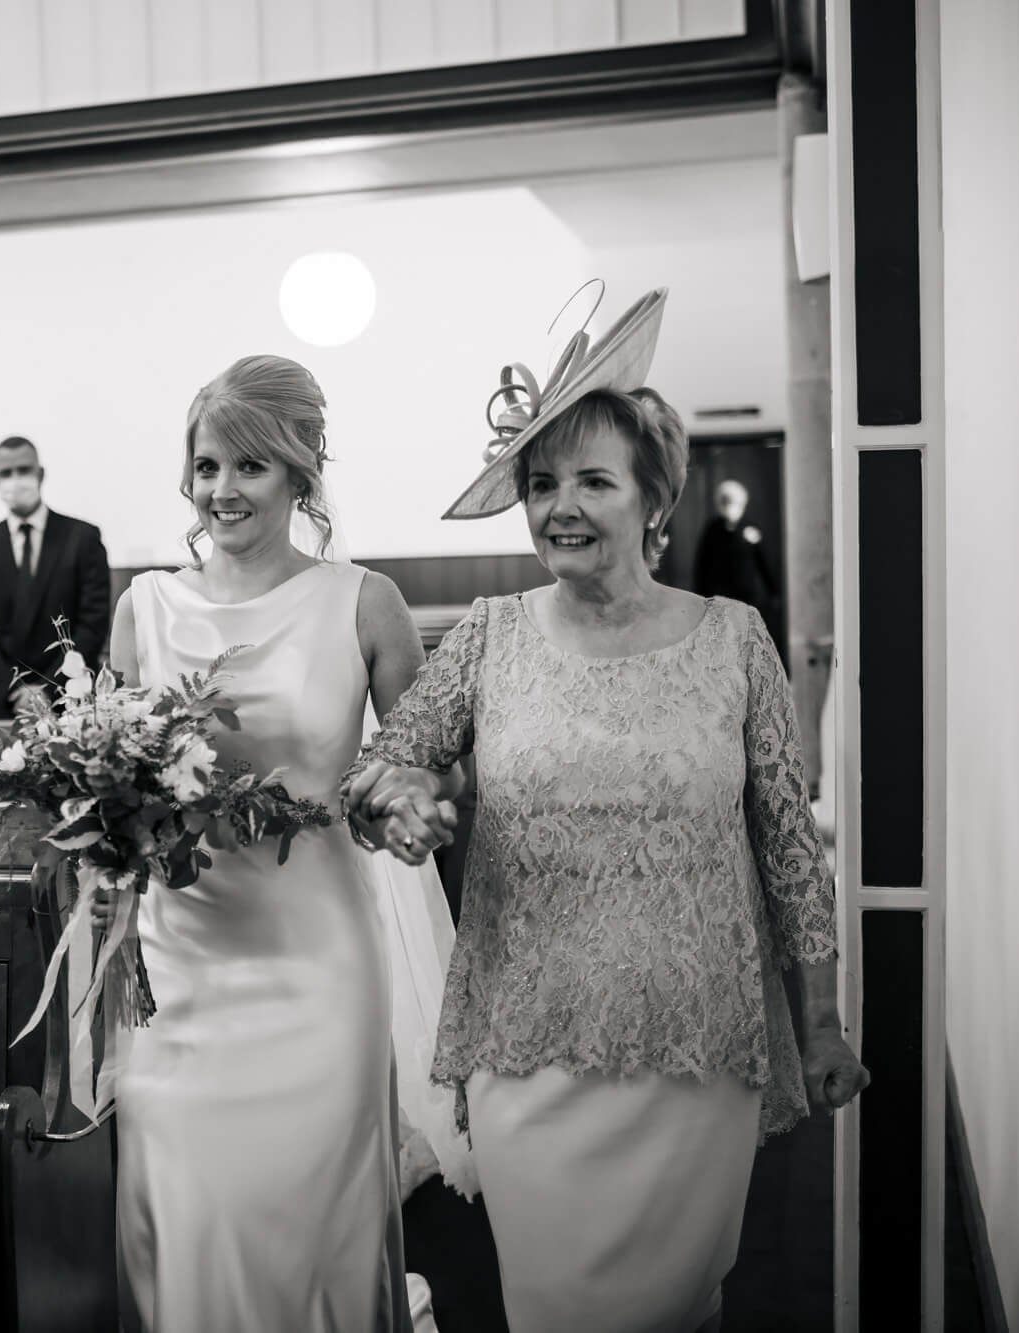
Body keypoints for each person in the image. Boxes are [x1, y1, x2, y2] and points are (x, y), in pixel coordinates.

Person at [346, 288, 869, 1333]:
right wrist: (400, 803)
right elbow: (385, 764)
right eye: (541, 484)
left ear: (650, 498)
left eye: (592, 479)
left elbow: (786, 852)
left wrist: (818, 1024)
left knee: (679, 1304)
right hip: (526, 1048)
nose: (559, 506)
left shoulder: (734, 640)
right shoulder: (489, 635)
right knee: (551, 1305)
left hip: (696, 1050)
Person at [106, 355, 458, 1333]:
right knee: (192, 1208)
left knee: (314, 1213)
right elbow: (116, 782)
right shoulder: (145, 610)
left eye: (250, 467)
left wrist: (406, 804)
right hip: (183, 961)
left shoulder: (364, 602)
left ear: (300, 473)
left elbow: (409, 763)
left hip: (317, 964)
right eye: (207, 465)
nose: (222, 489)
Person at [0, 435, 112, 718]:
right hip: (7, 703)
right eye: (6, 473)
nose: (15, 479)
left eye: (23, 470)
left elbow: (92, 624)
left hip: (71, 698)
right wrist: (16, 688)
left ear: (40, 474)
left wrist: (49, 688)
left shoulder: (82, 538)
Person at [692, 477, 781, 648]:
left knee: (745, 637)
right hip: (718, 594)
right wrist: (700, 595)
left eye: (733, 501)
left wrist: (773, 591)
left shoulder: (750, 528)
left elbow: (763, 562)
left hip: (745, 595)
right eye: (725, 501)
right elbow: (702, 564)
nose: (729, 506)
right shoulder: (712, 529)